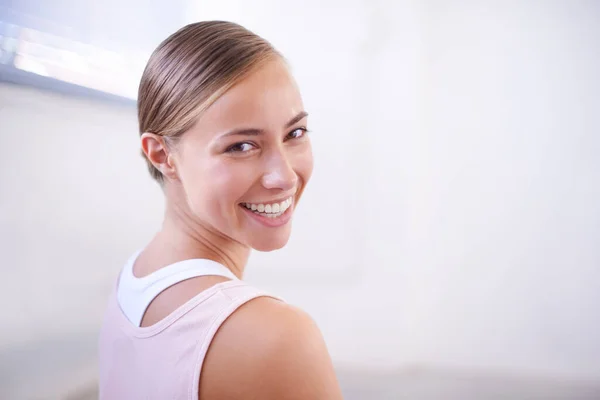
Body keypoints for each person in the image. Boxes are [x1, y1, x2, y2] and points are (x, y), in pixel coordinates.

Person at [98, 21, 343, 399]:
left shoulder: (133, 281)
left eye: (295, 133)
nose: (284, 176)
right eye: (242, 146)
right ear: (162, 154)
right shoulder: (276, 338)